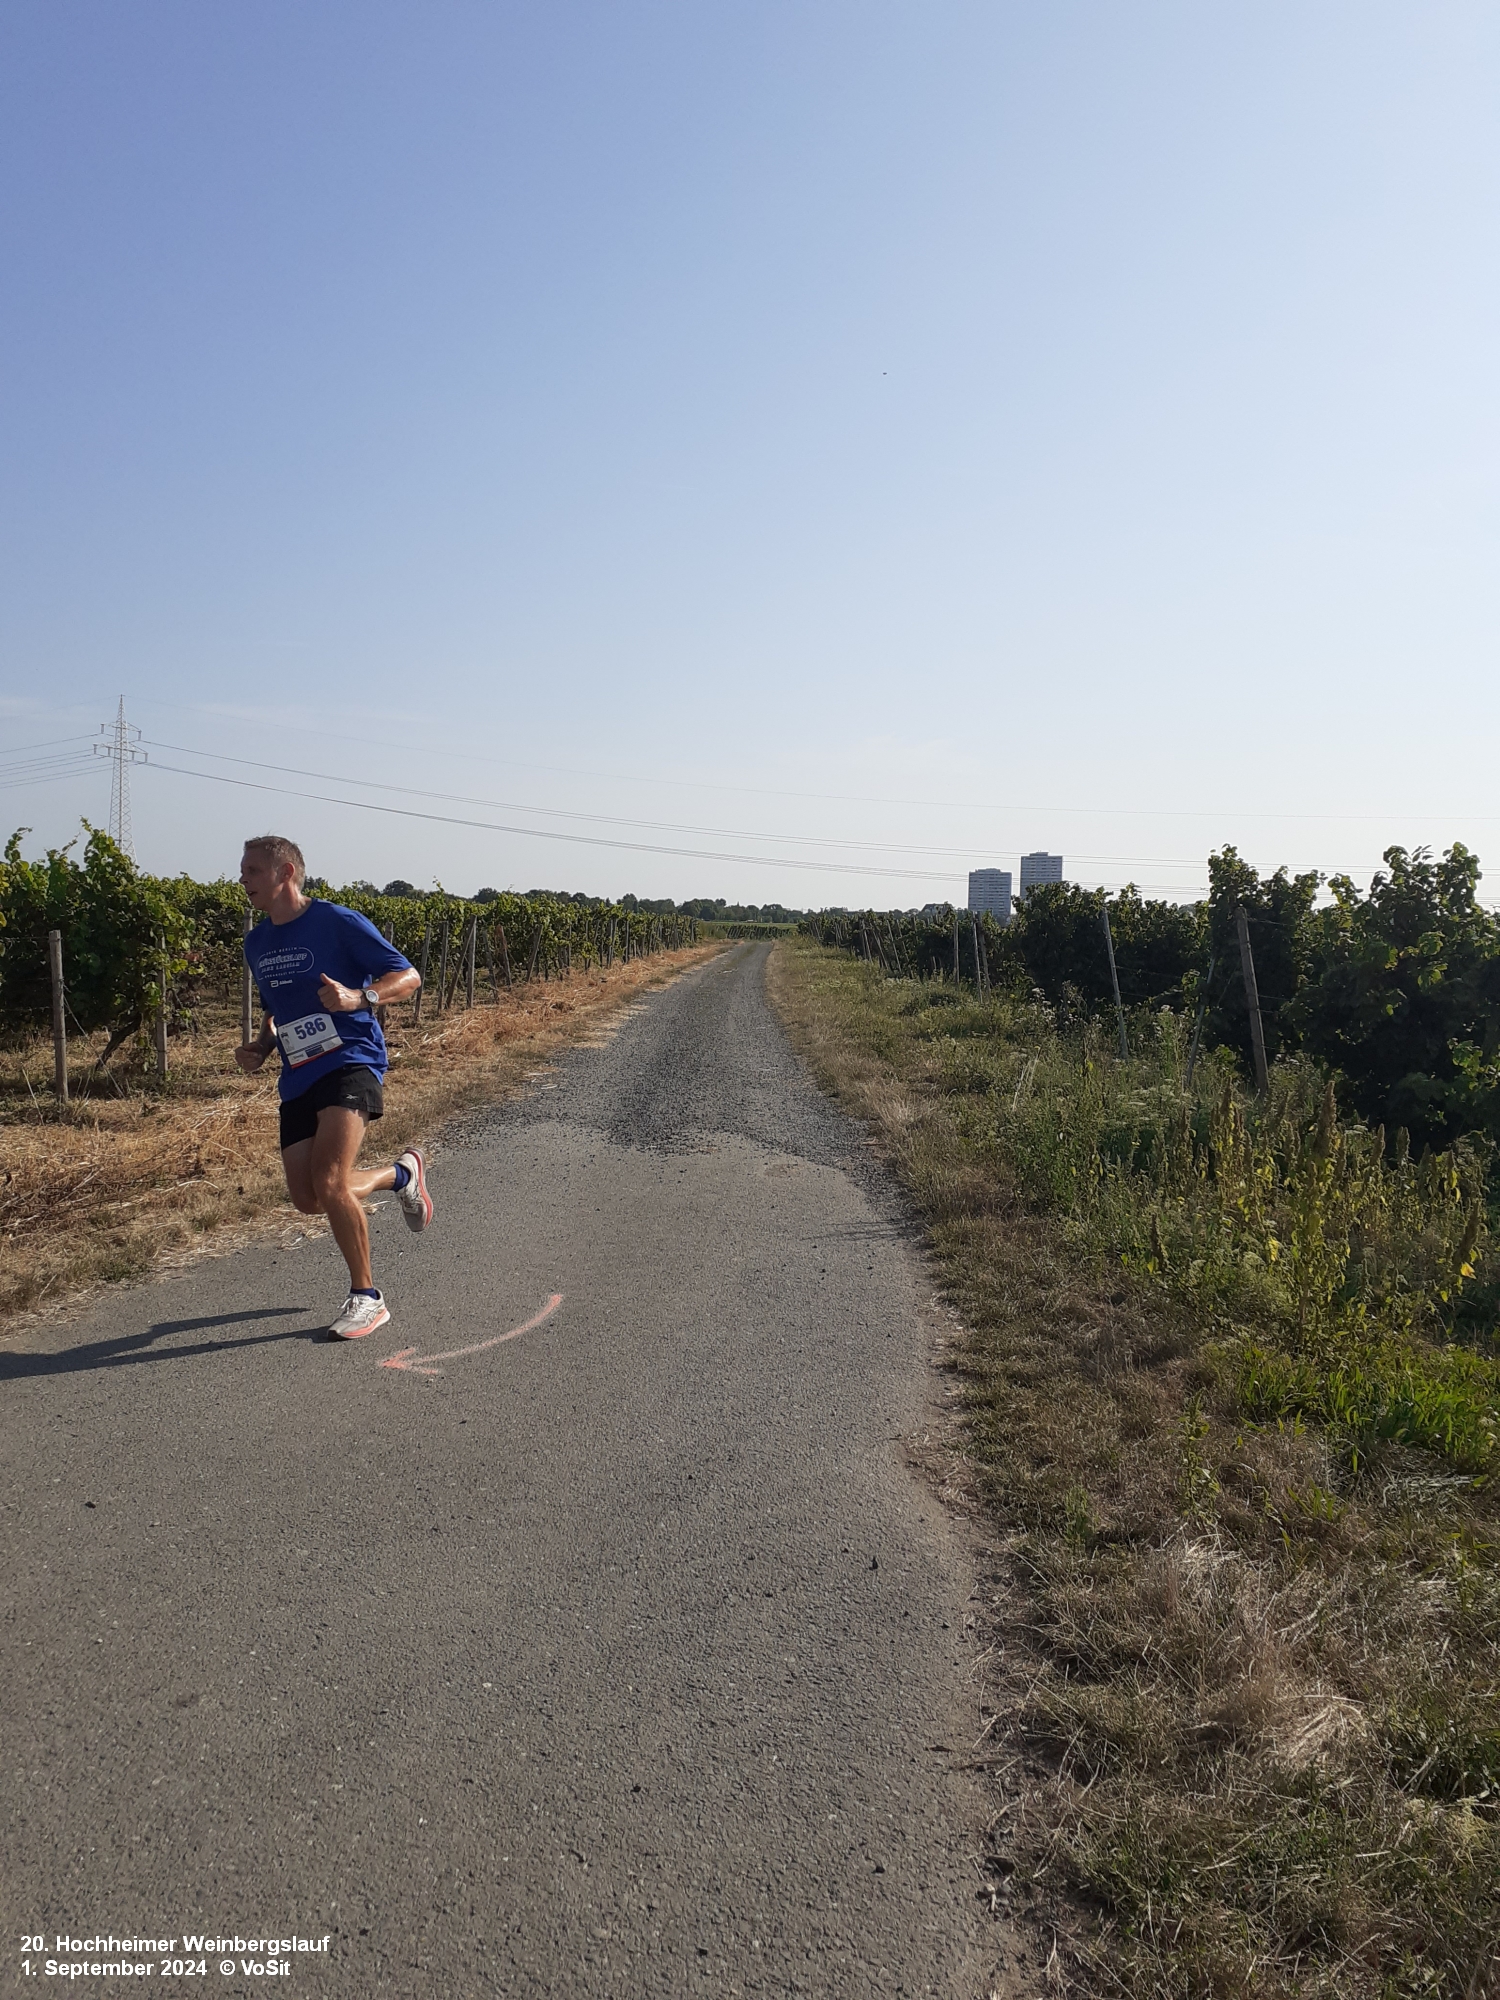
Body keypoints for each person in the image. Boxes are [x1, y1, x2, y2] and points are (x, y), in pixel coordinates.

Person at [235, 833, 433, 1339]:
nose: (243, 879)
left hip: (350, 1059)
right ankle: (401, 1176)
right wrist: (262, 1046)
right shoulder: (256, 942)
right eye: (242, 870)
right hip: (298, 1072)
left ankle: (367, 1298)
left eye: (253, 870)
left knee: (329, 1180)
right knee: (309, 1198)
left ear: (286, 873)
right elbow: (277, 1011)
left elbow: (408, 976)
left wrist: (359, 997)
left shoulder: (337, 921)